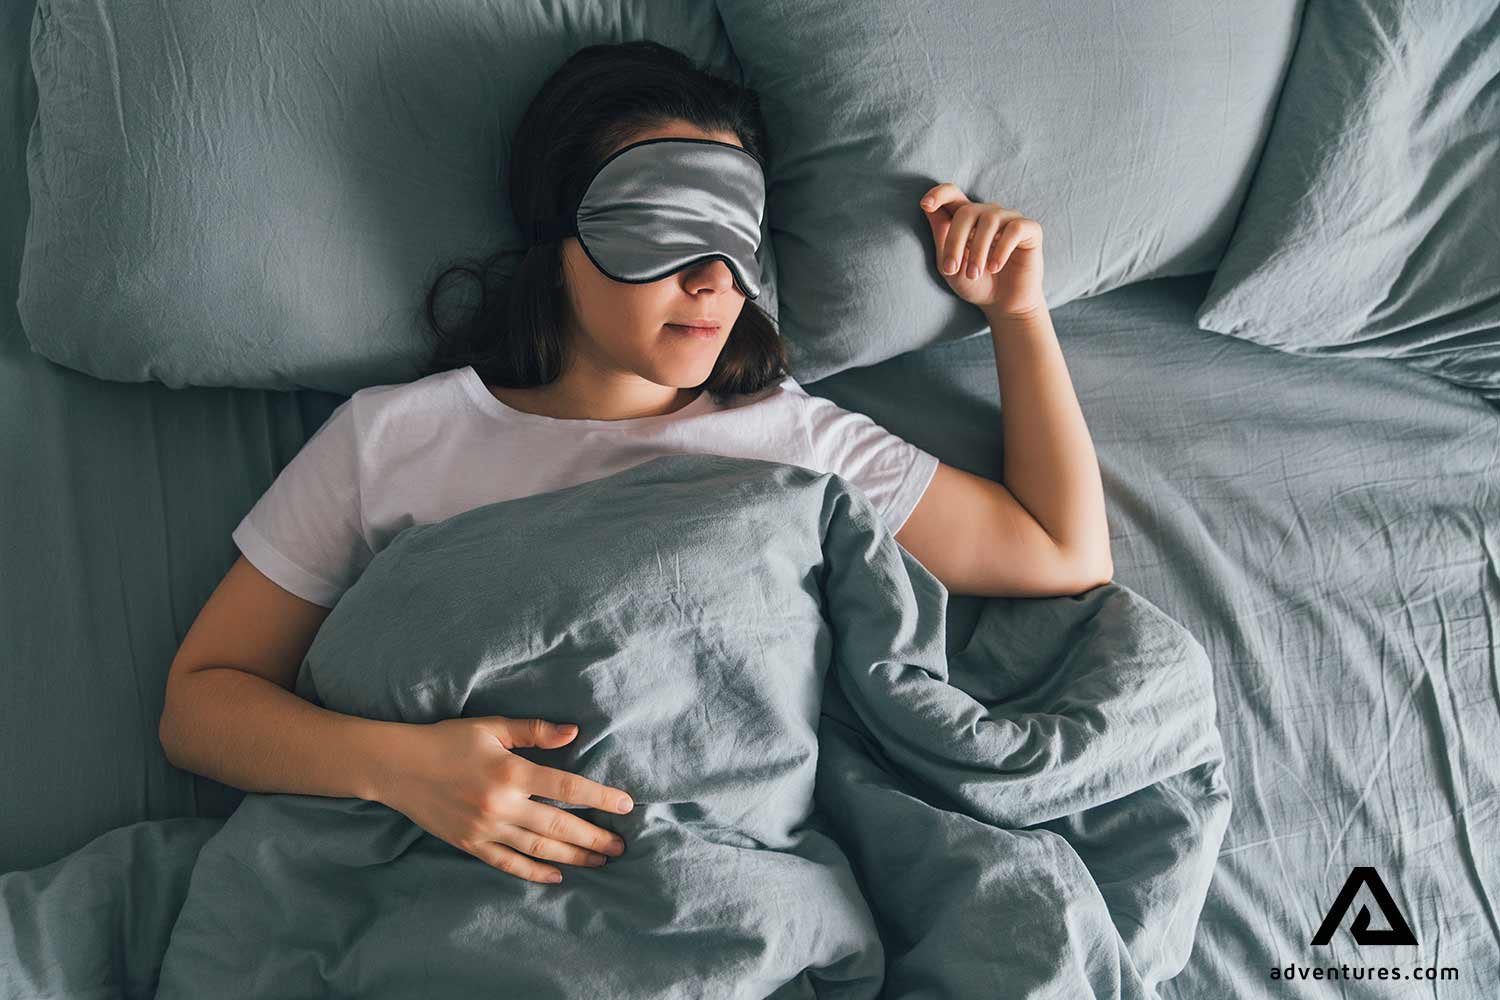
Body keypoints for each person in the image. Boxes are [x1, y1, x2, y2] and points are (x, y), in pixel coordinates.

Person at [160, 39, 1111, 889]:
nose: (711, 279)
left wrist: (1019, 316)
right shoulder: (389, 440)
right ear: (560, 238)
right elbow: (200, 706)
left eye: (735, 234)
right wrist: (402, 768)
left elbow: (1061, 552)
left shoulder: (794, 439)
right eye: (662, 224)